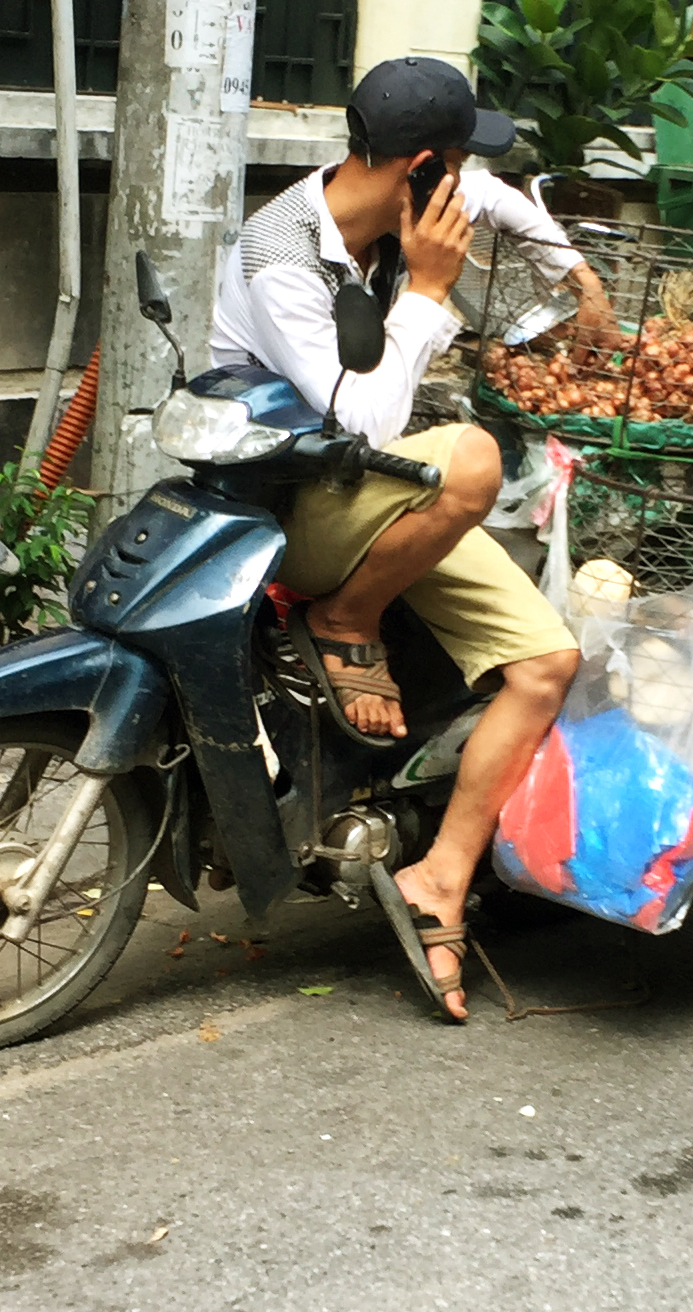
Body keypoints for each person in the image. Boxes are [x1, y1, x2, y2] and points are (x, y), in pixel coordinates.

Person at [207, 56, 596, 1022]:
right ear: (423, 168)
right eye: (458, 165)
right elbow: (371, 424)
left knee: (547, 664)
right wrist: (426, 290)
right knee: (468, 459)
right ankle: (347, 619)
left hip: (371, 496)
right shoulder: (279, 258)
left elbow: (498, 197)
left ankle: (442, 877)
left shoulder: (396, 196)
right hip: (289, 501)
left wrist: (575, 273)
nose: (471, 187)